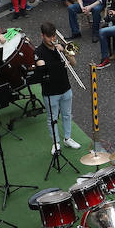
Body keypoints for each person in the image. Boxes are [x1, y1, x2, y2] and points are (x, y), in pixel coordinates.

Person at [35, 22, 78, 151]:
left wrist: (65, 51)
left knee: (67, 115)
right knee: (52, 118)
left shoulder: (61, 47)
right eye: (49, 37)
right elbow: (41, 68)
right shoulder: (38, 51)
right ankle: (56, 142)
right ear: (42, 36)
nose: (52, 39)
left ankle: (68, 138)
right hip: (50, 92)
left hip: (65, 87)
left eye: (53, 36)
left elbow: (74, 63)